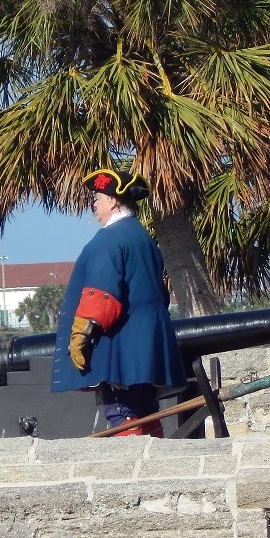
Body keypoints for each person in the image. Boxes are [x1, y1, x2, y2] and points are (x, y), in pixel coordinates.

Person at [50, 167, 187, 436]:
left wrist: (80, 335)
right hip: (147, 343)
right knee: (145, 409)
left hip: (120, 344)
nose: (94, 206)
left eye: (97, 199)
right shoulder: (142, 238)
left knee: (121, 411)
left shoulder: (109, 239)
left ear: (112, 201)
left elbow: (102, 294)